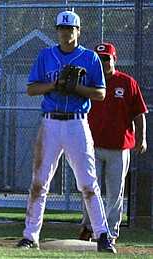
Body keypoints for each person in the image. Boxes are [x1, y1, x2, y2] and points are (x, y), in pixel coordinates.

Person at [15, 11, 116, 253]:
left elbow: (100, 93)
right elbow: (31, 89)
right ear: (57, 31)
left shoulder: (90, 58)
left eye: (70, 29)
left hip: (77, 123)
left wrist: (77, 88)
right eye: (62, 28)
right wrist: (55, 85)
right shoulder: (45, 55)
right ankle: (30, 236)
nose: (66, 33)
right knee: (40, 182)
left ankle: (103, 235)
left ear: (78, 32)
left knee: (88, 183)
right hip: (50, 123)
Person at [78, 42, 148, 244]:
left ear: (114, 59)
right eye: (99, 59)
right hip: (92, 146)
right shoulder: (88, 82)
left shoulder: (127, 82)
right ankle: (89, 228)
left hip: (119, 147)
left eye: (106, 58)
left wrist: (141, 138)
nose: (103, 62)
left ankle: (110, 232)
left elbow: (139, 113)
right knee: (90, 189)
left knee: (115, 193)